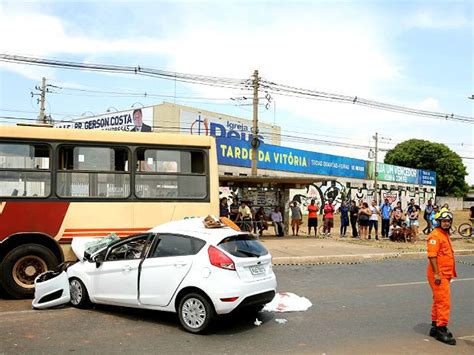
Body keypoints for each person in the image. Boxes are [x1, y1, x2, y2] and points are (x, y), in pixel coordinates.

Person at [426, 209, 457, 345]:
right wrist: (437, 274)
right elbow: (432, 256)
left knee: (438, 300)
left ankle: (435, 325)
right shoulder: (435, 235)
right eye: (444, 221)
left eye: (448, 221)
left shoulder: (444, 234)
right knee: (444, 302)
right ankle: (441, 328)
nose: (446, 223)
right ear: (438, 222)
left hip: (445, 274)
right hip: (438, 274)